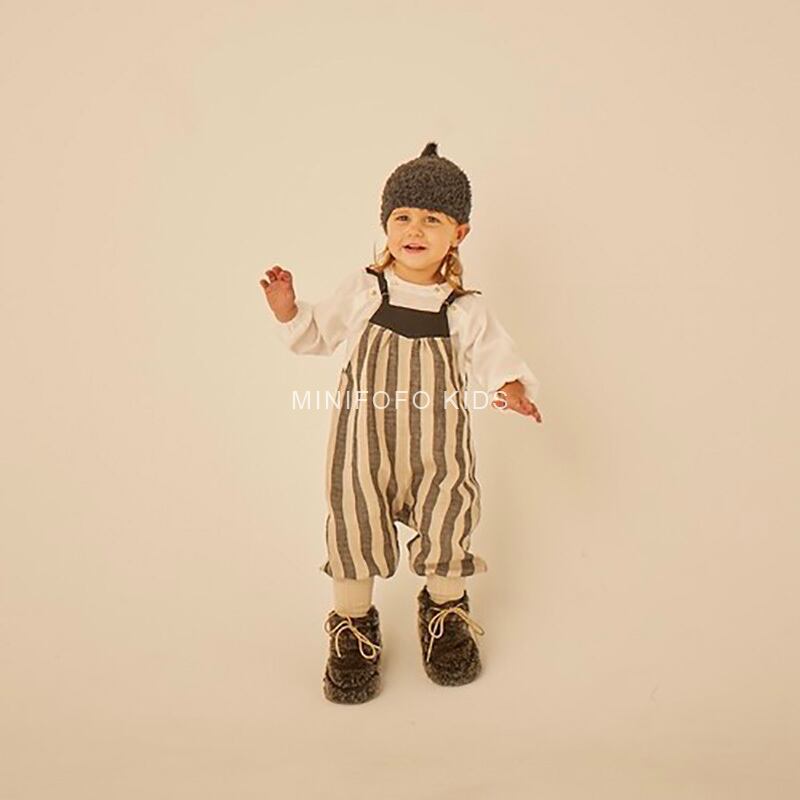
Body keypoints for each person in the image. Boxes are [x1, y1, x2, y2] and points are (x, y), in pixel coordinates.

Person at [259, 142, 543, 704]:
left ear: (459, 233)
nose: (415, 230)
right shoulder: (366, 289)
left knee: (449, 518)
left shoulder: (464, 309)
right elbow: (317, 334)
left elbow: (495, 356)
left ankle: (445, 613)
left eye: (432, 219)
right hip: (362, 444)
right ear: (386, 224)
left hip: (439, 447)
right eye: (403, 217)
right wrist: (288, 308)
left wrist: (510, 388)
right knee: (354, 522)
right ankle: (353, 626)